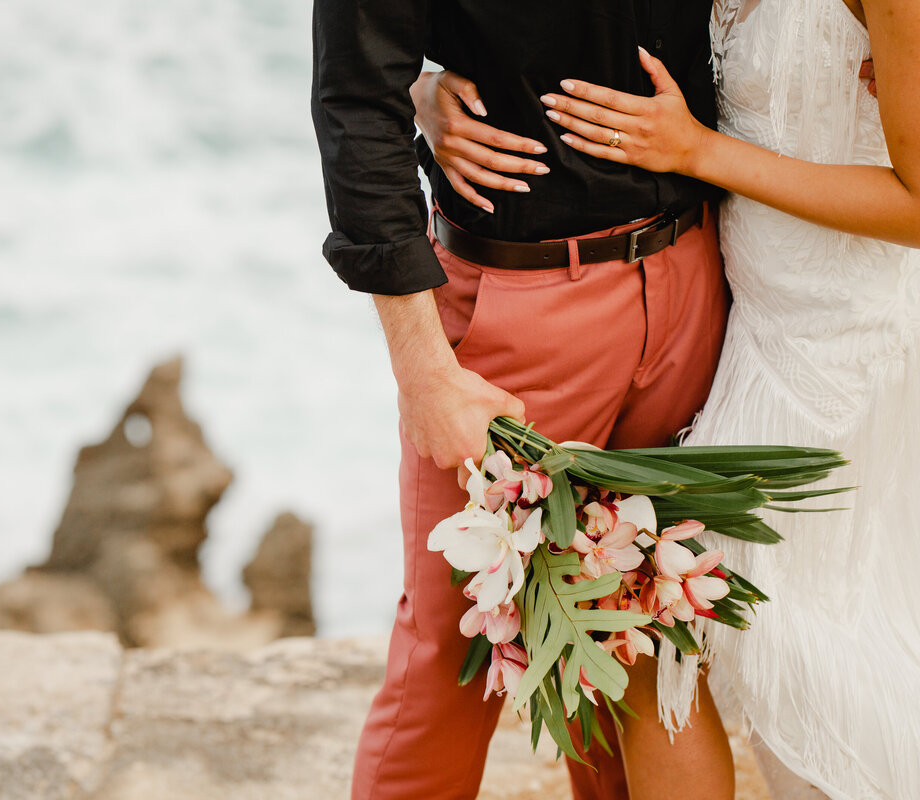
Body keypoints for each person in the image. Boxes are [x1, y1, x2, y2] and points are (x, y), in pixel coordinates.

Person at [409, 0, 920, 797]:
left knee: (823, 656)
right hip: (730, 323)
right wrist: (430, 92)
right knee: (659, 643)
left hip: (837, 353)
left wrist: (698, 151)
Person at [311, 4, 738, 799]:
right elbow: (355, 97)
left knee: (636, 624)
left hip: (698, 270)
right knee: (454, 648)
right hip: (524, 300)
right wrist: (424, 371)